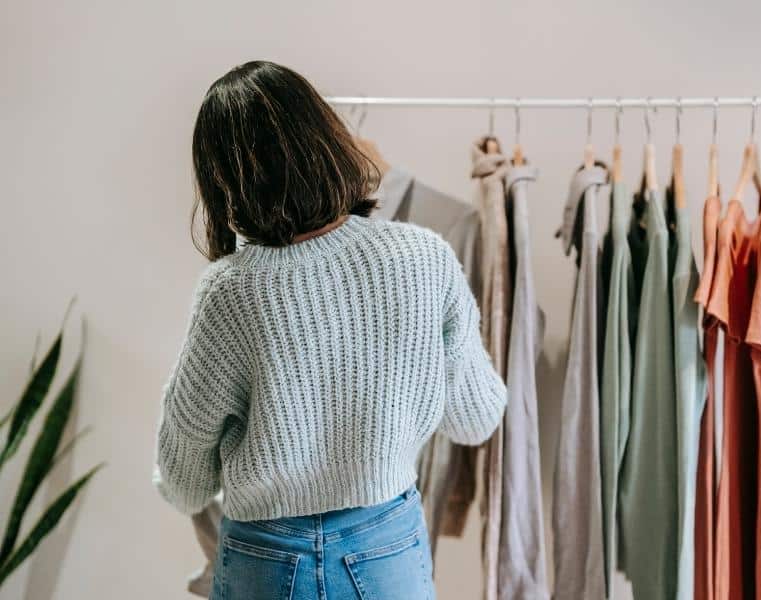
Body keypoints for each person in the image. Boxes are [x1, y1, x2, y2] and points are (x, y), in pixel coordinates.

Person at [153, 60, 506, 600]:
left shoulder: (229, 292)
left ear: (222, 181)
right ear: (327, 141)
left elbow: (184, 483)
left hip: (265, 556)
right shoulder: (424, 258)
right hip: (386, 545)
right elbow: (476, 418)